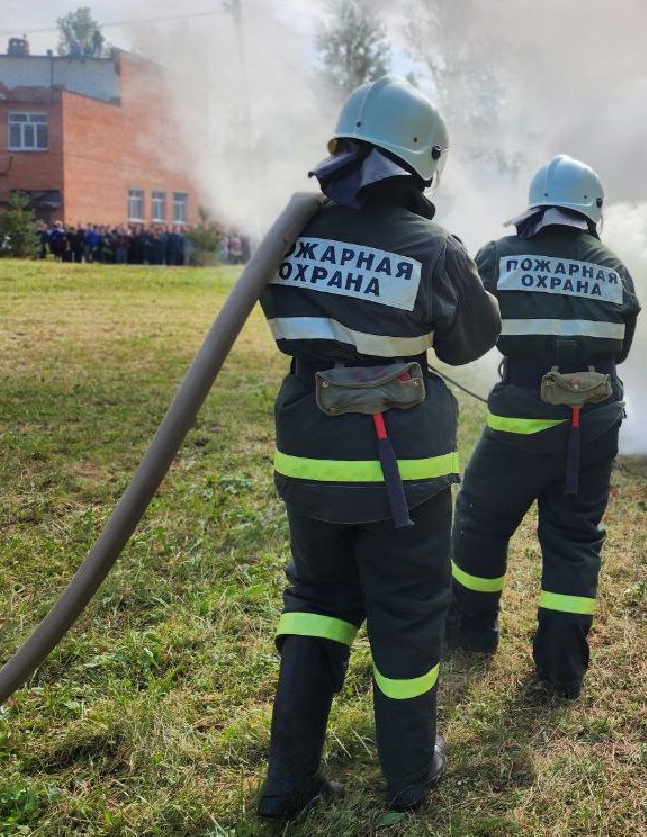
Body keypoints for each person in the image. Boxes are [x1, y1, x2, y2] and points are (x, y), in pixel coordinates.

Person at [256, 75, 500, 818]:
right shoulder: (432, 246)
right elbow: (471, 345)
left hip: (312, 462)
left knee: (316, 605)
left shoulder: (291, 232)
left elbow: (280, 319)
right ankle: (408, 775)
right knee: (406, 614)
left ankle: (287, 782)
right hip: (405, 478)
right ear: (421, 160)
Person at [446, 155, 640, 700]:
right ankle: (562, 668)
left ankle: (471, 631)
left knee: (481, 525)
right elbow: (620, 348)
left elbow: (468, 334)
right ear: (592, 211)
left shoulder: (499, 257)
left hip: (520, 426)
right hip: (595, 424)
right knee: (576, 539)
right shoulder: (614, 267)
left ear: (535, 208)